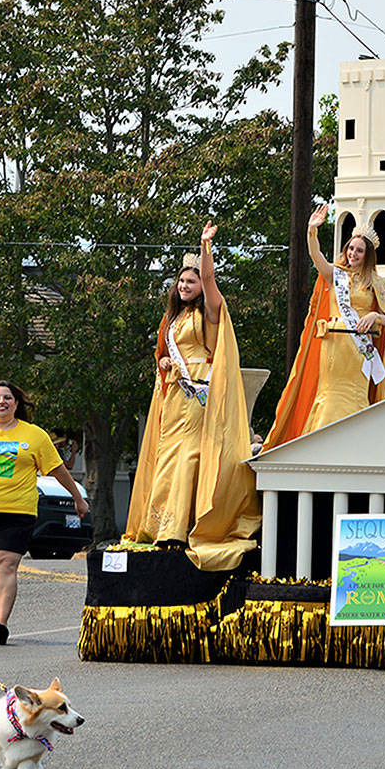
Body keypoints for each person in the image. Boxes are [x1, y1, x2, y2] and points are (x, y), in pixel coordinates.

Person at [124, 223, 260, 572]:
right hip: (174, 393)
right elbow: (162, 352)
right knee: (169, 454)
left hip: (199, 391)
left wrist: (205, 247)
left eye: (191, 281)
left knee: (190, 455)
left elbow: (211, 281)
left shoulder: (209, 312)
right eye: (182, 281)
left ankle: (181, 527)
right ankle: (161, 524)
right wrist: (163, 361)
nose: (185, 286)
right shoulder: (173, 317)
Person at [0, 380, 90, 645]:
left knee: (3, 563)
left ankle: (1, 624)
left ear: (16, 403)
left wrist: (78, 499)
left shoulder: (34, 435)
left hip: (17, 511)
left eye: (7, 397)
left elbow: (58, 469)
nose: (2, 402)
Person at [265, 204, 385, 447]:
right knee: (330, 394)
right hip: (334, 345)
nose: (353, 254)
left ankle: (355, 446)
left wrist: (374, 317)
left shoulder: (376, 283)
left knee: (355, 395)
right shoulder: (336, 275)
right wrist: (311, 231)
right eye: (351, 248)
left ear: (368, 255)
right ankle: (319, 444)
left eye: (359, 250)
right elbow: (317, 257)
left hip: (360, 350)